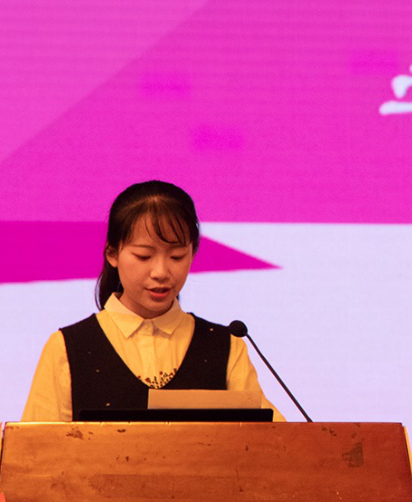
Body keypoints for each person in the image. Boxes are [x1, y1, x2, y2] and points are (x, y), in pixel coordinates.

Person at [22, 180, 281, 421]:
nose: (161, 272)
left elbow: (271, 440)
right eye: (144, 256)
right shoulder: (67, 347)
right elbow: (35, 449)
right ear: (112, 254)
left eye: (177, 256)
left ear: (193, 253)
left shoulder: (226, 345)